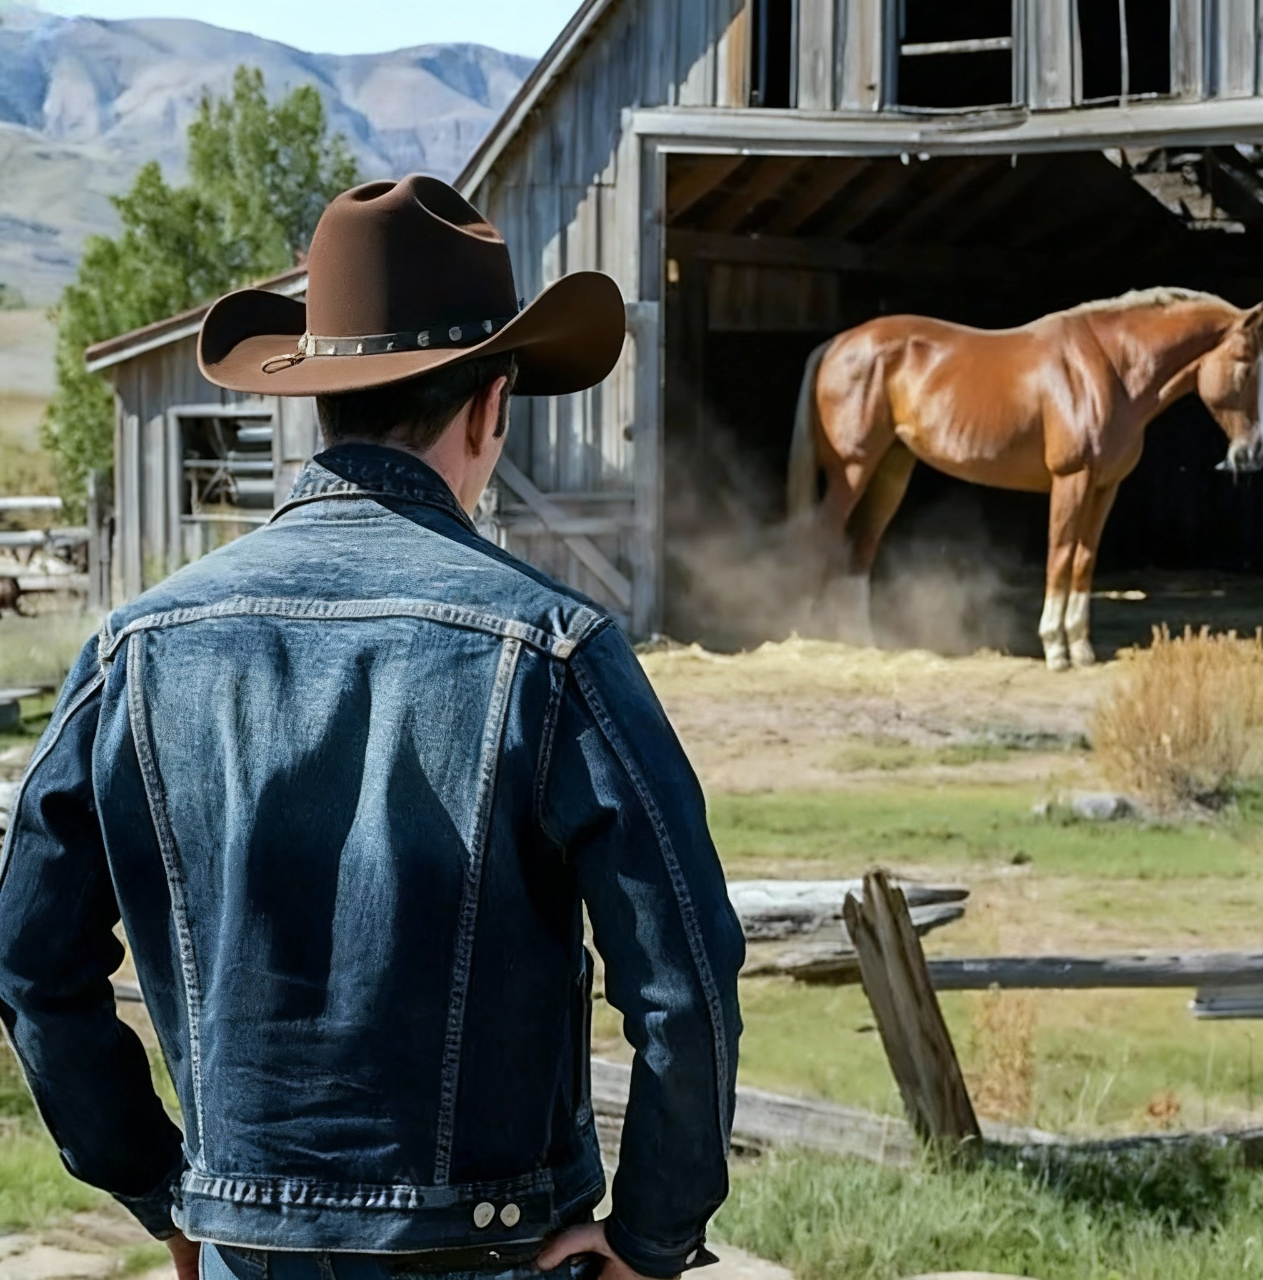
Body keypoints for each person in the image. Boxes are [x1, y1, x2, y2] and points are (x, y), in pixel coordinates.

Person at [0, 177, 744, 1280]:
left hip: (248, 1246)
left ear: (317, 396)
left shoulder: (133, 648)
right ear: (491, 405)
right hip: (501, 1247)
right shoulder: (553, 645)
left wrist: (163, 1185)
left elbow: (29, 958)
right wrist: (650, 1234)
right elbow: (683, 974)